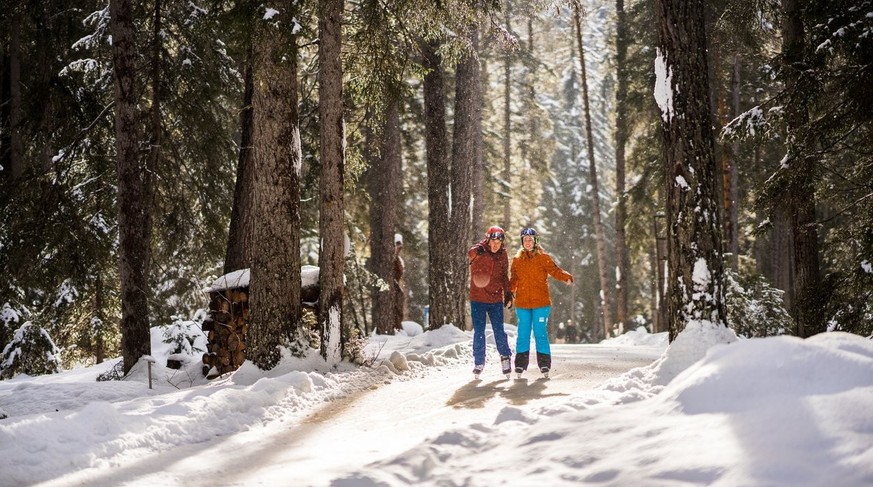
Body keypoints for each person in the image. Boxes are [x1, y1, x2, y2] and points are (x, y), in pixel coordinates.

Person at [509, 227, 573, 378]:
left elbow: (555, 270)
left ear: (535, 241)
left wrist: (566, 277)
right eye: (525, 240)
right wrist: (509, 293)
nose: (528, 243)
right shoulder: (517, 260)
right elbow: (514, 280)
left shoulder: (544, 258)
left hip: (541, 303)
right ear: (522, 242)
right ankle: (520, 365)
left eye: (530, 240)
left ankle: (544, 364)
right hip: (523, 303)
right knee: (523, 334)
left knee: (540, 333)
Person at [468, 225, 514, 378]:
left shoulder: (503, 255)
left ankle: (505, 357)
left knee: (498, 330)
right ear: (488, 240)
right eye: (493, 241)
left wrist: (508, 293)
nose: (495, 245)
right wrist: (477, 252)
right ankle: (479, 362)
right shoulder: (479, 249)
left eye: (498, 243)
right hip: (478, 299)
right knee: (479, 332)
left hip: (495, 299)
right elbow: (470, 254)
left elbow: (504, 277)